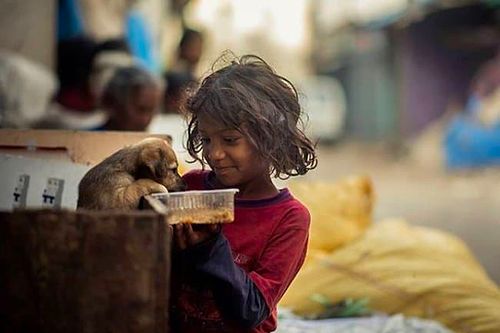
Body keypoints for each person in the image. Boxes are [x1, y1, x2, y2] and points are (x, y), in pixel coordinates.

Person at [170, 54, 318, 333]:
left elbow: (251, 310)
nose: (214, 153)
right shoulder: (192, 188)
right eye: (206, 139)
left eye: (229, 140)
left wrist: (209, 249)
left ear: (270, 137)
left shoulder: (289, 219)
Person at [96, 65, 162, 131]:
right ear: (114, 104)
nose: (145, 120)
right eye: (140, 110)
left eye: (151, 110)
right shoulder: (92, 139)